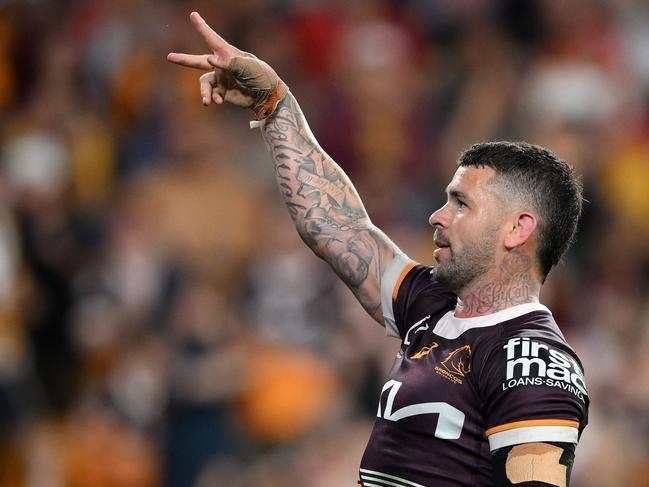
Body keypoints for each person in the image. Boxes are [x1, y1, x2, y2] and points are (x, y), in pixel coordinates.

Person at [168, 12, 588, 487]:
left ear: (517, 229)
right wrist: (274, 103)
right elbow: (336, 225)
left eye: (461, 204)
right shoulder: (432, 304)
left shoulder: (529, 357)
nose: (438, 216)